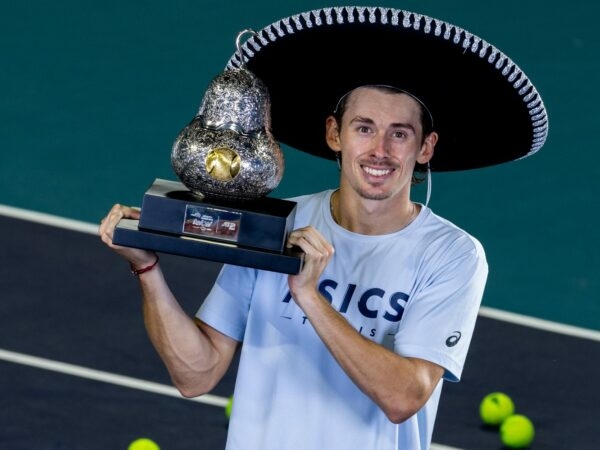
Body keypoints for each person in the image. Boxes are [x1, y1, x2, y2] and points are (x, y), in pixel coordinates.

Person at [99, 84, 488, 449]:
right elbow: (196, 375)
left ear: (426, 147)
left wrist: (310, 297)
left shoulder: (452, 254)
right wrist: (147, 270)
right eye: (364, 128)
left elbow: (404, 397)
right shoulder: (279, 225)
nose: (380, 150)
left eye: (399, 134)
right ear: (335, 134)